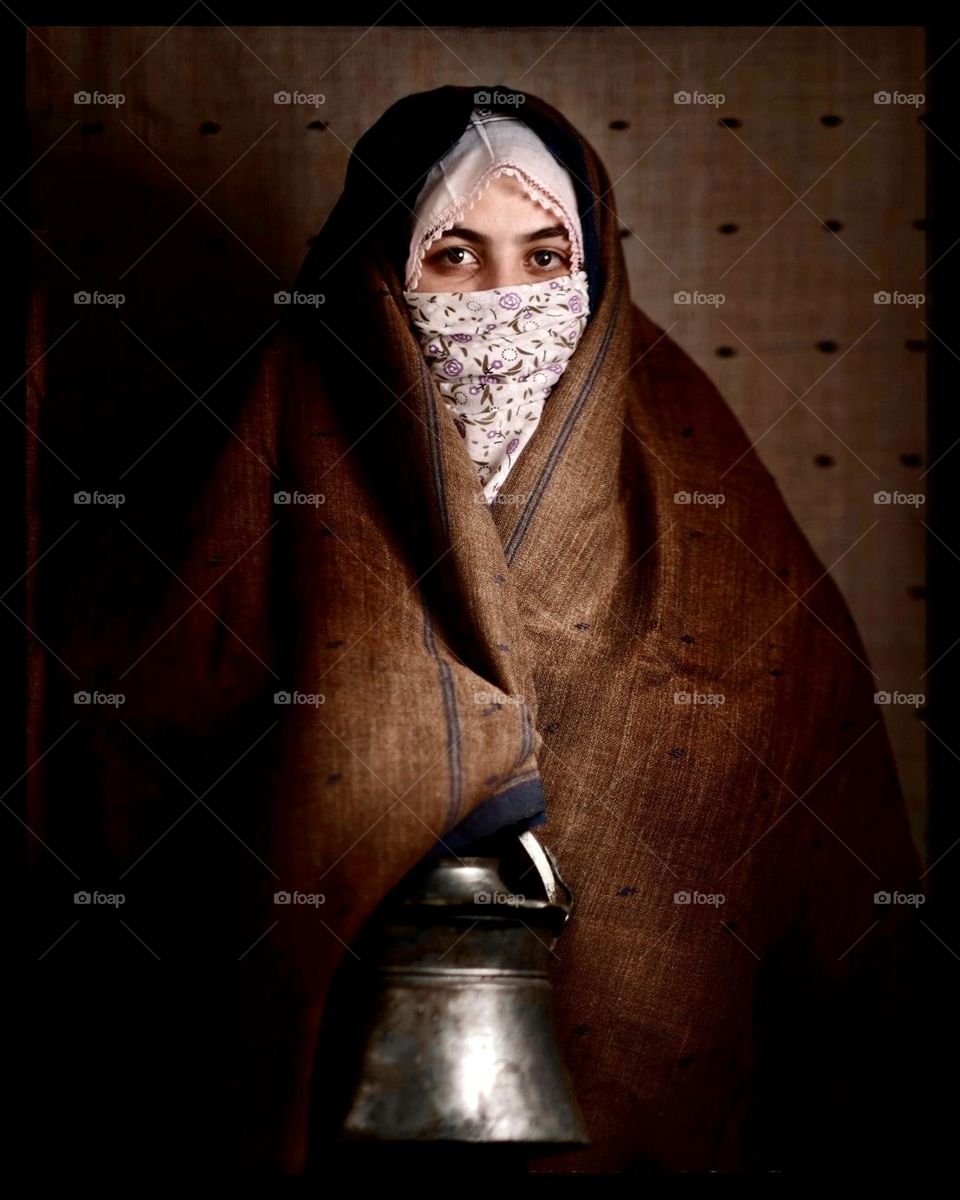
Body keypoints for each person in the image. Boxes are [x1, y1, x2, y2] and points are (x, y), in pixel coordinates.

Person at [51, 83, 923, 1176]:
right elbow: (139, 742)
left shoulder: (704, 483)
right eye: (454, 257)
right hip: (338, 1099)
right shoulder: (269, 451)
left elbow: (811, 800)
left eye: (545, 257)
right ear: (380, 271)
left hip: (654, 1089)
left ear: (594, 269)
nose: (502, 300)